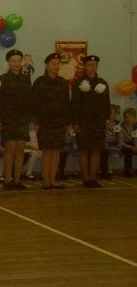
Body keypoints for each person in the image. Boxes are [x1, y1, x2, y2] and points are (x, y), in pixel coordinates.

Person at [31, 52, 71, 189]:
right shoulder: (40, 82)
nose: (56, 66)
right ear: (47, 65)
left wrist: (67, 122)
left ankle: (53, 179)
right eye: (53, 64)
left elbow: (67, 103)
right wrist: (36, 121)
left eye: (58, 64)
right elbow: (34, 103)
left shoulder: (62, 82)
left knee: (57, 151)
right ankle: (46, 179)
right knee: (47, 151)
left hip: (59, 122)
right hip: (45, 121)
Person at [70, 54, 110, 188]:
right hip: (83, 122)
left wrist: (107, 120)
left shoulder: (102, 83)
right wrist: (75, 122)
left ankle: (93, 178)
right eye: (90, 65)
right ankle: (86, 179)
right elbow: (74, 104)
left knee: (96, 149)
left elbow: (106, 103)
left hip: (98, 122)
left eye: (95, 65)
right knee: (84, 149)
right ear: (85, 66)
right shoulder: (78, 83)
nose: (93, 67)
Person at [0, 48, 31, 189]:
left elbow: (29, 100)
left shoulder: (26, 77)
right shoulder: (3, 79)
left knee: (20, 149)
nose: (16, 63)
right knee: (10, 149)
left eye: (18, 61)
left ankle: (17, 180)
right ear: (8, 62)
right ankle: (7, 180)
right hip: (9, 119)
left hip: (23, 119)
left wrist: (31, 119)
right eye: (13, 61)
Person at [118, 107, 137, 177]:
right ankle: (127, 171)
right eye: (126, 117)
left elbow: (135, 138)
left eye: (130, 117)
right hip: (123, 145)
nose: (128, 119)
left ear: (134, 118)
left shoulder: (135, 127)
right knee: (128, 152)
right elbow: (120, 141)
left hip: (132, 144)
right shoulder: (120, 127)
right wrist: (131, 147)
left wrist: (136, 146)